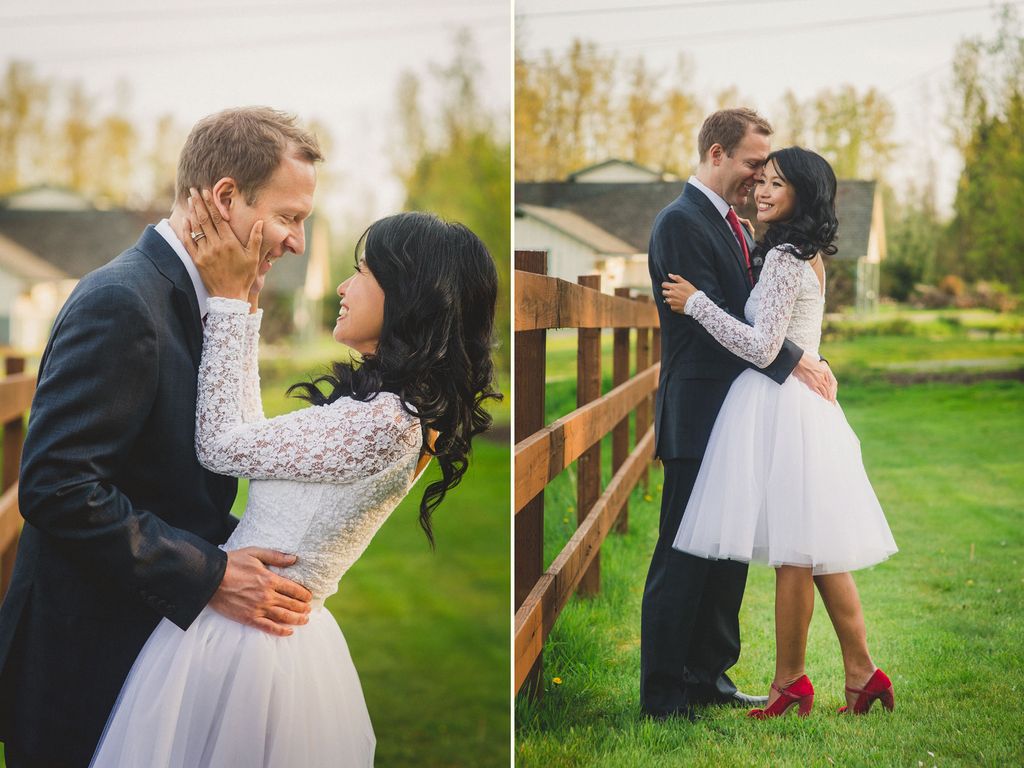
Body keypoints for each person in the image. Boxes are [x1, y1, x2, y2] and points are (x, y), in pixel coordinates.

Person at [88, 193, 499, 765]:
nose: (343, 288)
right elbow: (253, 440)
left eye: (361, 273)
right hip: (250, 627)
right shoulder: (390, 411)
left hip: (249, 646)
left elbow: (221, 445)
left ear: (410, 295)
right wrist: (248, 309)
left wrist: (228, 302)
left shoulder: (386, 423)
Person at [0, 107, 322, 767]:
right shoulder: (124, 301)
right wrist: (211, 575)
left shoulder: (209, 298)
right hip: (83, 663)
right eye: (289, 218)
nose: (296, 243)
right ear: (226, 198)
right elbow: (58, 487)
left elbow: (181, 477)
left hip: (143, 650)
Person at [662, 146, 897, 718]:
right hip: (799, 406)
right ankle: (862, 674)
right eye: (761, 180)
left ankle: (791, 681)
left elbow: (762, 346)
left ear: (802, 195)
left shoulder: (786, 258)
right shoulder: (800, 252)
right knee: (815, 551)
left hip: (783, 408)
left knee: (798, 553)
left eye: (776, 184)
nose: (762, 191)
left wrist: (697, 305)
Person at [641, 108, 838, 720]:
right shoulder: (681, 222)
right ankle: (664, 695)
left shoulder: (738, 226)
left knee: (725, 558)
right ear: (717, 154)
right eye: (754, 164)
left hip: (737, 412)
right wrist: (799, 362)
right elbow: (720, 317)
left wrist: (799, 356)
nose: (759, 178)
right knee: (683, 555)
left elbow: (763, 315)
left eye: (768, 171)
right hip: (698, 410)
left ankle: (710, 678)